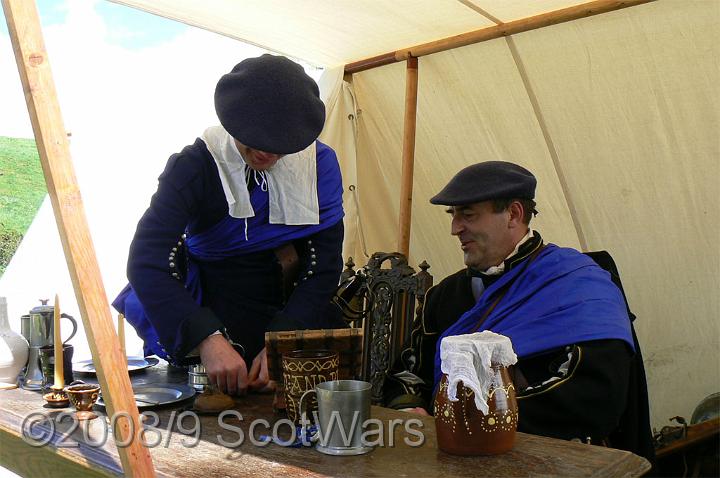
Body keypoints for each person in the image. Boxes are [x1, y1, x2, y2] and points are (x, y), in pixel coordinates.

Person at [384, 161, 654, 460]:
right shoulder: (445, 296)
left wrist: (472, 422)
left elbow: (596, 395)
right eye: (453, 215)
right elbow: (408, 371)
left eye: (468, 214)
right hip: (448, 455)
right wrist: (408, 407)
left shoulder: (578, 285)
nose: (455, 228)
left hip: (549, 460)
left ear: (513, 214)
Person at [113, 54, 345, 396]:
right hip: (215, 309)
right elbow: (148, 260)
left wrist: (286, 338)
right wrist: (206, 339)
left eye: (281, 145)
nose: (268, 153)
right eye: (257, 138)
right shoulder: (193, 166)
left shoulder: (319, 165)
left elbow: (323, 266)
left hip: (296, 314)